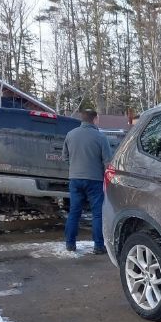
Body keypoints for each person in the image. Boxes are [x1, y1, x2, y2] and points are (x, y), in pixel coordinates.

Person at [62, 109, 112, 254]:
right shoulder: (100, 137)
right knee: (97, 214)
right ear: (94, 119)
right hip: (94, 180)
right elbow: (107, 162)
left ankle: (70, 244)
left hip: (75, 180)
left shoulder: (70, 135)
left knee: (74, 212)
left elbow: (65, 157)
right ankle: (98, 246)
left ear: (82, 119)